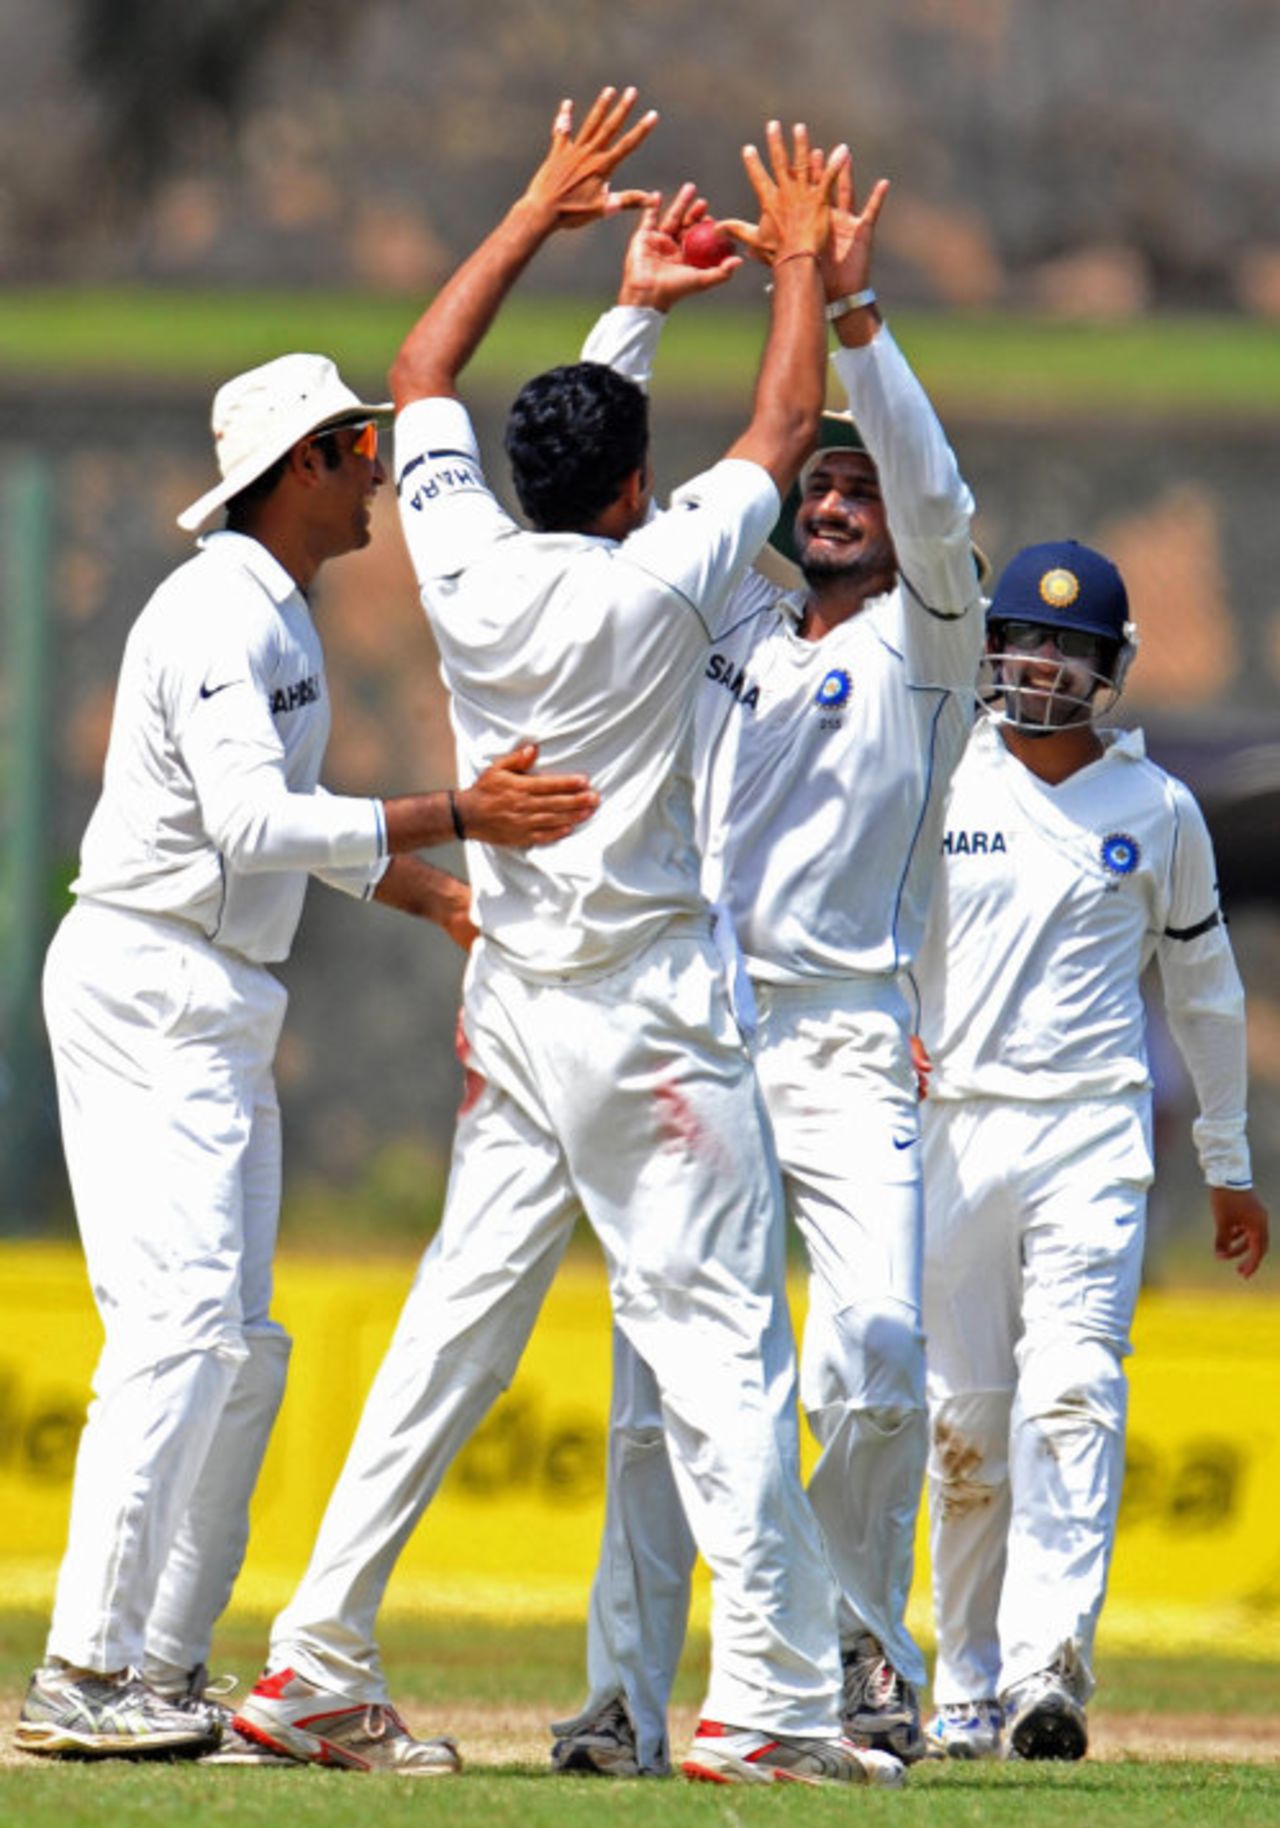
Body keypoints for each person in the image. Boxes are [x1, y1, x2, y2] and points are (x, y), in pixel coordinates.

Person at [232, 91, 905, 1790]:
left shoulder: (462, 553)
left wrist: (550, 224)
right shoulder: (652, 581)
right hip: (649, 1015)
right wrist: (805, 265)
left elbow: (422, 363)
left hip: (520, 1001)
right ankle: (761, 1701)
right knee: (723, 1342)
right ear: (633, 491)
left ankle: (314, 1655)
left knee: (456, 1325)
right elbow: (789, 418)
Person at [16, 352, 598, 1763]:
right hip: (154, 981)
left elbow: (290, 826)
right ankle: (83, 1673)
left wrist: (440, 900)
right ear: (299, 470)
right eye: (357, 450)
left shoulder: (274, 607)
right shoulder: (221, 615)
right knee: (177, 1337)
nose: (380, 475)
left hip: (213, 992)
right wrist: (457, 815)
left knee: (245, 1349)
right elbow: (250, 830)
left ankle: (160, 1667)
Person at [548, 155, 985, 1777]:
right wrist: (640, 311)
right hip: (693, 1023)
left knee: (870, 1348)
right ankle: (618, 1690)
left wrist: (853, 315)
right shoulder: (725, 611)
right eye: (821, 481)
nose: (834, 497)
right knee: (664, 1379)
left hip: (847, 1030)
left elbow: (936, 497)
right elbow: (598, 488)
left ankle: (861, 1645)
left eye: (856, 485)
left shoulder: (926, 638)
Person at [912, 539, 1269, 1761]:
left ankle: (1043, 1670)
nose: (1041, 666)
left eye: (1068, 649)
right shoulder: (938, 780)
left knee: (1072, 1393)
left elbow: (1204, 992)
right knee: (963, 1418)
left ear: (1107, 670)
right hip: (953, 1128)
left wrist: (1227, 1163)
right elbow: (862, 937)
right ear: (988, 650)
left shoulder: (1154, 807)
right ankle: (955, 1681)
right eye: (1022, 640)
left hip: (1090, 1135)